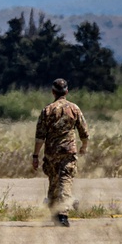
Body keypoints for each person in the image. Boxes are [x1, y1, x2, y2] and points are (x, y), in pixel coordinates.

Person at [32, 78, 89, 226]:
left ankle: (56, 213)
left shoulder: (47, 110)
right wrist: (84, 146)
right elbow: (84, 131)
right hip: (68, 152)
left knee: (54, 182)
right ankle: (62, 214)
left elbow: (40, 137)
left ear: (53, 92)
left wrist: (35, 156)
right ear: (66, 91)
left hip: (51, 153)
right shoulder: (74, 108)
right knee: (65, 180)